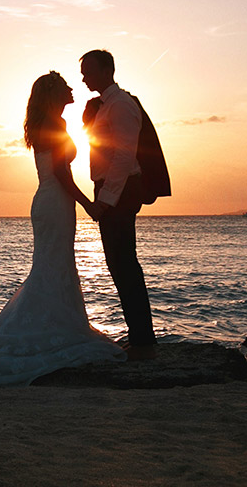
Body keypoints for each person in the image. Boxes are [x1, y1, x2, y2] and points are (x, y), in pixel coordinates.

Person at [0, 72, 125, 387]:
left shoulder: (49, 122)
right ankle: (50, 332)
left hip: (51, 202)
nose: (72, 88)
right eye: (65, 86)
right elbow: (60, 171)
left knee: (53, 266)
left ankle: (57, 326)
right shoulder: (55, 125)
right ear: (54, 93)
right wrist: (88, 204)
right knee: (51, 267)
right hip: (55, 202)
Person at [80, 49, 157, 361]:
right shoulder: (105, 106)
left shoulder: (122, 104)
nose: (84, 77)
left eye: (88, 71)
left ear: (105, 71)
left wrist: (105, 201)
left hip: (120, 191)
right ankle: (140, 337)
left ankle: (143, 340)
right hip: (114, 189)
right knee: (120, 264)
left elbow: (124, 156)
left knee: (124, 264)